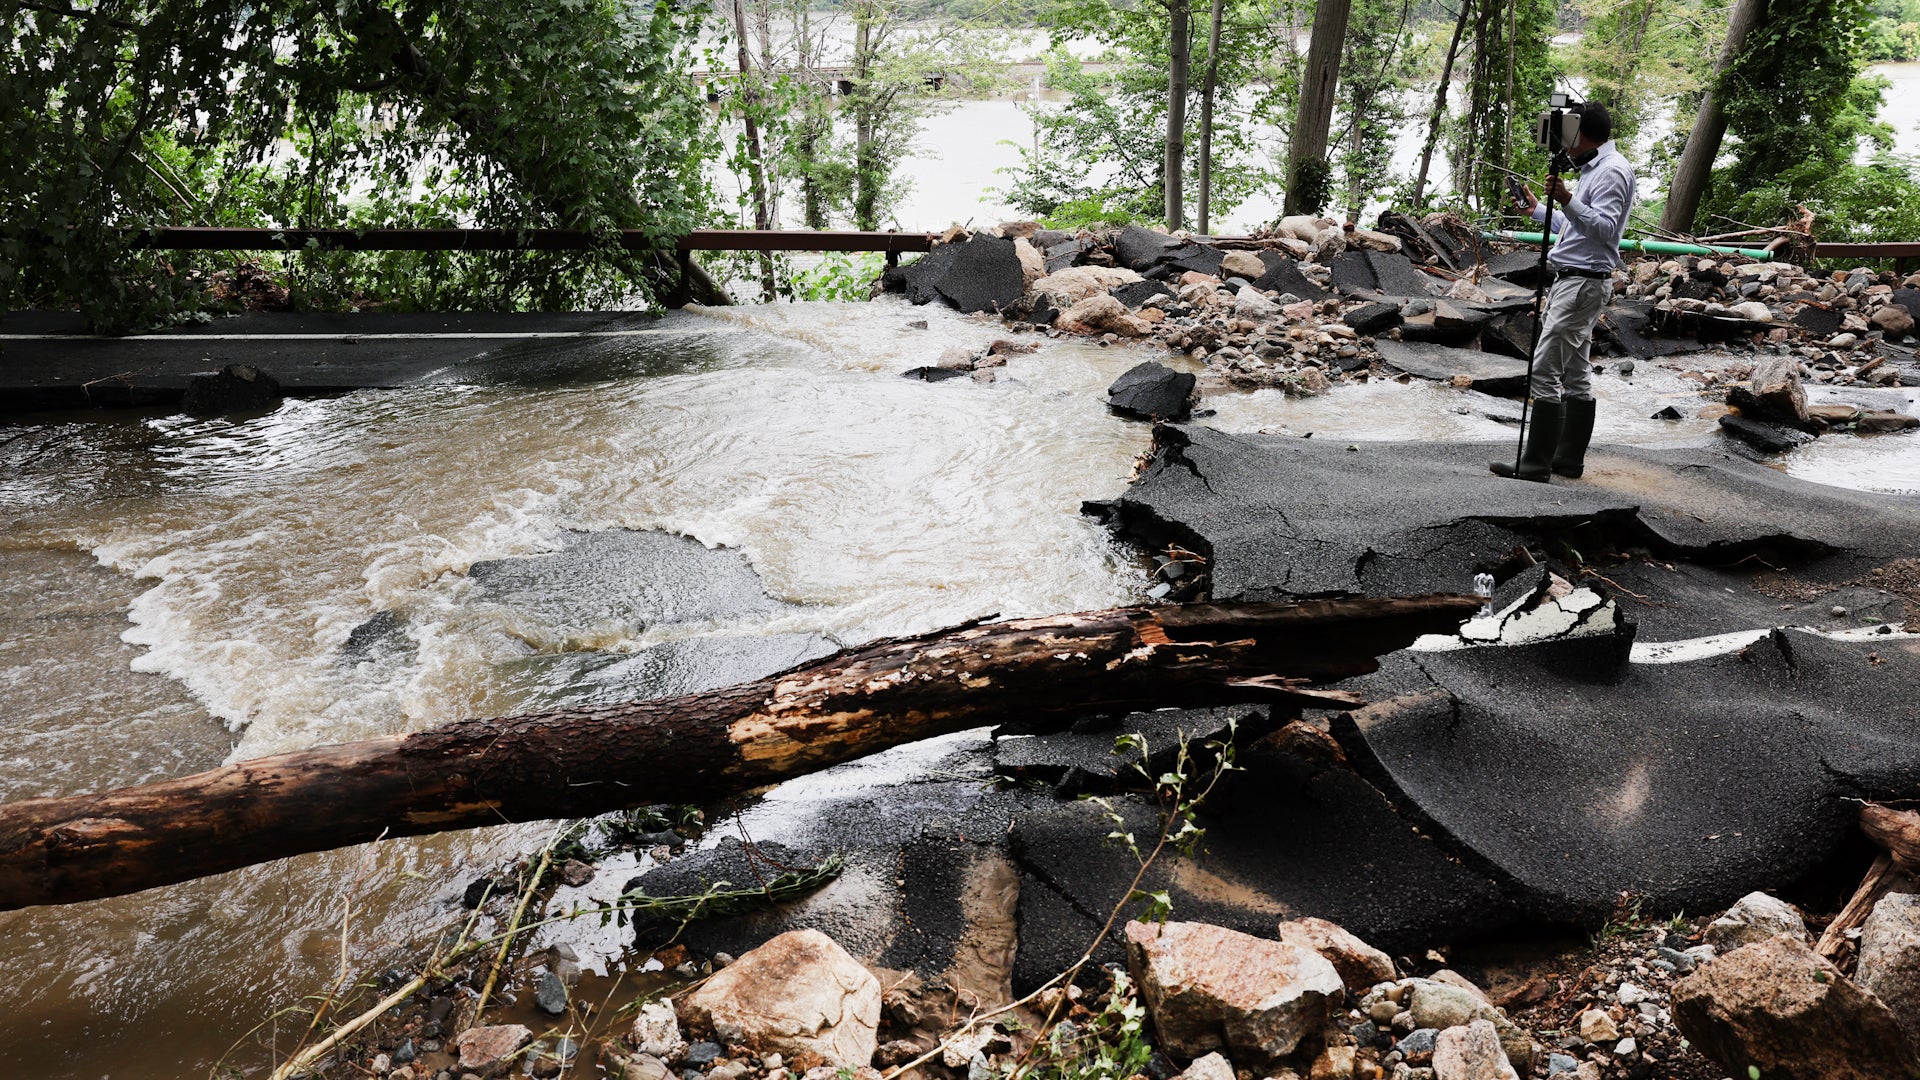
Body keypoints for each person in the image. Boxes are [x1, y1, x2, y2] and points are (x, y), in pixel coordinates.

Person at [1490, 102, 1635, 483]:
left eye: (1566, 130)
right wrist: (1539, 209)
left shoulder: (1613, 172)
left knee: (1545, 369)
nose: (1562, 140)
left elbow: (1604, 230)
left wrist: (1568, 199)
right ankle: (1567, 461)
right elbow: (1574, 228)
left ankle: (1536, 463)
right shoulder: (1595, 169)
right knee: (1575, 372)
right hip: (1575, 279)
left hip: (1583, 283)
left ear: (1580, 131)